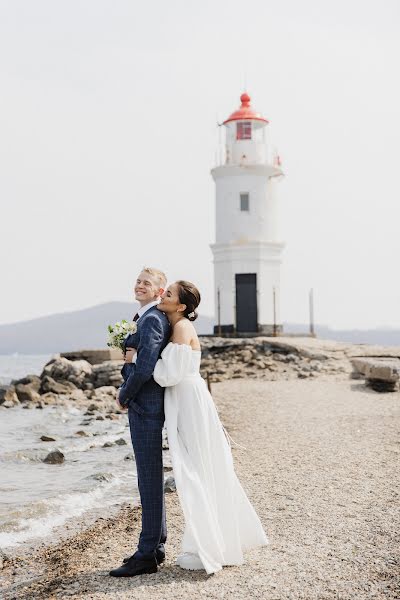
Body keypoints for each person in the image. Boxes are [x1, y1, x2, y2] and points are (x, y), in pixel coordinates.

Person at [151, 280, 268, 574]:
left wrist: (138, 358)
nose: (162, 294)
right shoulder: (179, 326)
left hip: (187, 401)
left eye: (168, 293)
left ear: (180, 306)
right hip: (190, 398)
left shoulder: (180, 328)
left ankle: (209, 543)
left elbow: (169, 375)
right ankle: (218, 538)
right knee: (203, 466)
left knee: (195, 469)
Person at [110, 267, 171, 578]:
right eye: (138, 281)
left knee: (147, 479)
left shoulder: (150, 319)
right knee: (151, 477)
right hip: (146, 405)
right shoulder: (145, 317)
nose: (140, 286)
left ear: (160, 291)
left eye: (148, 283)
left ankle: (146, 554)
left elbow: (145, 367)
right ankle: (156, 545)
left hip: (145, 406)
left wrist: (124, 394)